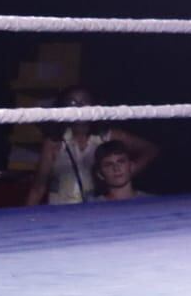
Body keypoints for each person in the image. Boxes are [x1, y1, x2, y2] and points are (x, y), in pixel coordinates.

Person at [25, 86, 158, 206]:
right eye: (72, 103)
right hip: (60, 212)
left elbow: (150, 149)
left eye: (84, 102)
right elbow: (38, 188)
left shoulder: (108, 136)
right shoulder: (54, 142)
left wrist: (126, 173)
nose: (79, 107)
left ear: (94, 105)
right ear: (63, 108)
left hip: (96, 212)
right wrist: (26, 221)